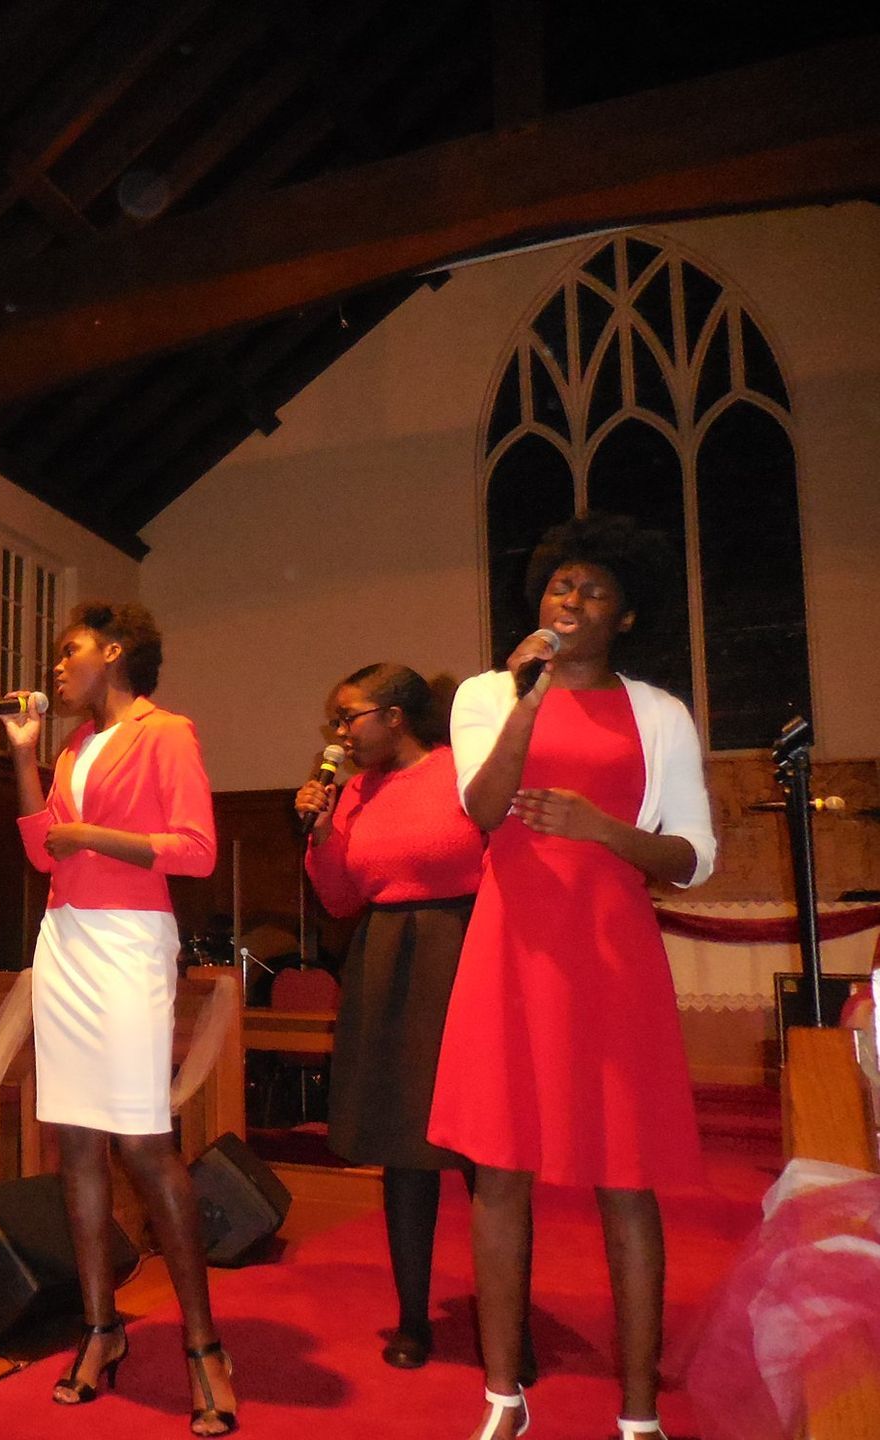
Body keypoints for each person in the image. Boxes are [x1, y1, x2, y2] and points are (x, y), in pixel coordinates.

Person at [428, 515, 716, 1440]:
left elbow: (694, 857)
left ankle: (639, 1411)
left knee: (624, 1177)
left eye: (594, 591)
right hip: (512, 945)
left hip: (610, 952)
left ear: (625, 616)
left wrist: (605, 831)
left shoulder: (659, 713)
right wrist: (528, 697)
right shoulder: (487, 694)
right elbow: (482, 807)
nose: (572, 600)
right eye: (561, 584)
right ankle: (502, 1397)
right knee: (500, 1174)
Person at [0, 601, 233, 1436]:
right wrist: (24, 758)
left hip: (131, 941)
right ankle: (101, 1329)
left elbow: (196, 850)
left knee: (142, 1143)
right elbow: (43, 851)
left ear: (117, 650)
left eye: (72, 651)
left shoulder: (166, 733)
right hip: (65, 939)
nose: (58, 667)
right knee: (77, 1144)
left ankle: (205, 1345)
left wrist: (95, 835)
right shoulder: (70, 748)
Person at [295, 663, 486, 1371]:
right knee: (406, 1146)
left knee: (484, 1151)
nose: (340, 732)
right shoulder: (352, 794)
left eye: (350, 716)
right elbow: (340, 900)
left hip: (464, 950)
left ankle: (508, 1324)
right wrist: (320, 833)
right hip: (384, 957)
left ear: (397, 717)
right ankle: (413, 1319)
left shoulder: (462, 769)